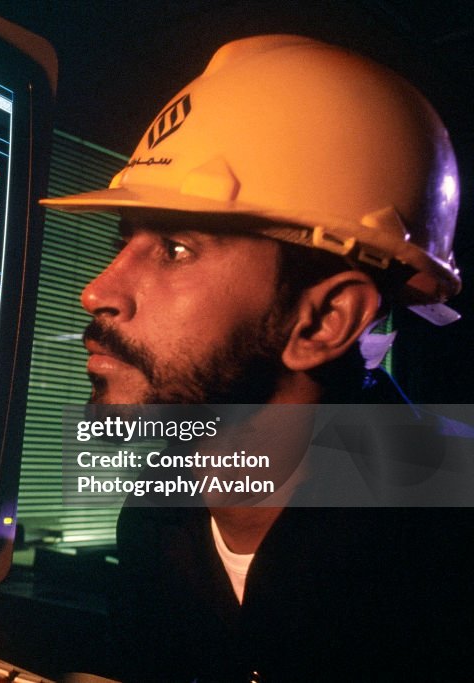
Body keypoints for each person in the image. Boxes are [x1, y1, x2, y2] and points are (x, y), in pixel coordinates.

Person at [42, 35, 471, 681]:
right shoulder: (157, 518)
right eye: (123, 242)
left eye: (176, 249)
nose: (97, 290)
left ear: (323, 321)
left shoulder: (447, 548)